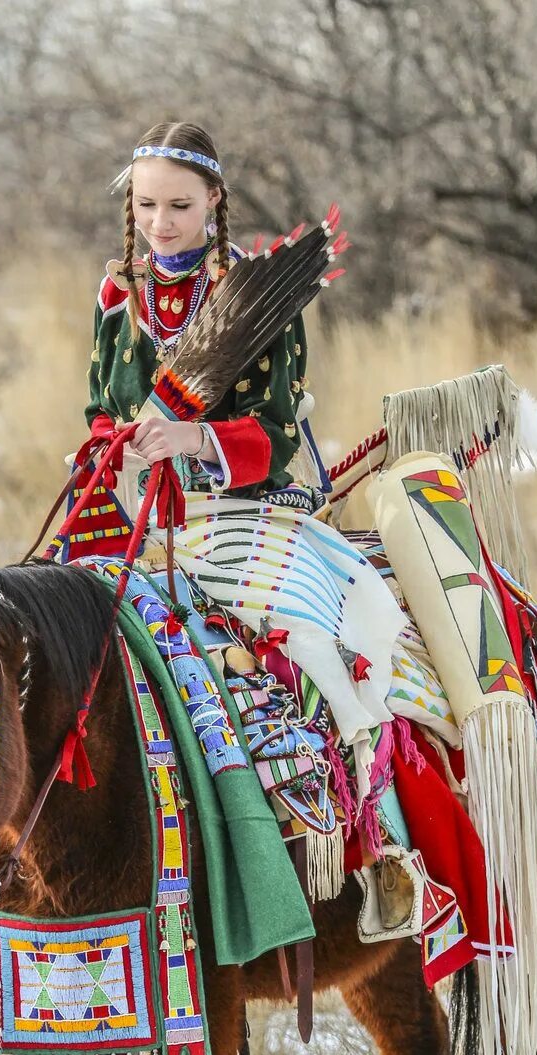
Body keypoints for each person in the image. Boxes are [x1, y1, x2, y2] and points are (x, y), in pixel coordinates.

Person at [80, 120, 406, 790]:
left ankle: (354, 801)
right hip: (138, 519)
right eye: (145, 206)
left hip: (241, 513)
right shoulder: (118, 298)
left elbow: (279, 431)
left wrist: (191, 438)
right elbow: (98, 408)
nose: (160, 224)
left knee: (303, 652)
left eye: (179, 206)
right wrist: (111, 446)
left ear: (214, 202)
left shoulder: (256, 299)